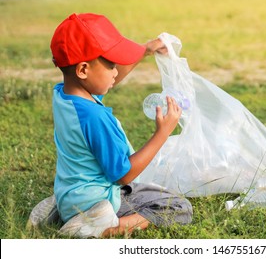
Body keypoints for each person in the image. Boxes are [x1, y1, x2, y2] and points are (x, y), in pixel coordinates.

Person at [28, 13, 193, 238]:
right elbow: (122, 175)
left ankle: (64, 209)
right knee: (178, 206)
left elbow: (107, 80)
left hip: (75, 192)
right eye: (111, 64)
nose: (116, 72)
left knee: (136, 190)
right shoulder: (95, 118)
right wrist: (162, 133)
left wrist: (145, 50)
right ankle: (103, 226)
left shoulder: (66, 96)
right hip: (100, 199)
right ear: (83, 70)